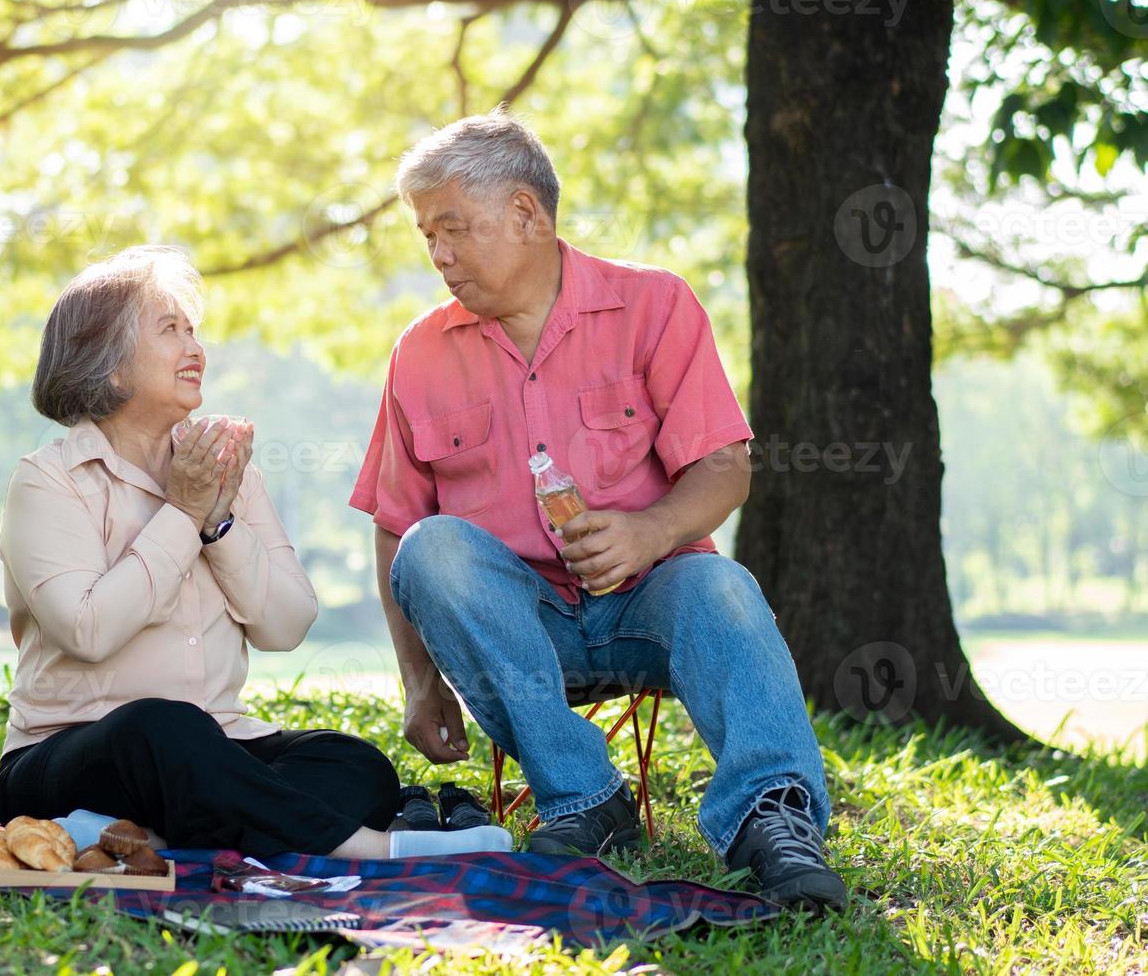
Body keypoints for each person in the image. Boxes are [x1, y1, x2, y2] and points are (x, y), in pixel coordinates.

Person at [350, 112, 847, 910]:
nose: (437, 255)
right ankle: (587, 800)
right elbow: (393, 525)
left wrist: (648, 532)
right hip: (520, 631)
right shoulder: (420, 350)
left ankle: (771, 817)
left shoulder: (654, 305)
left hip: (652, 605)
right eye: (425, 235)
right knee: (432, 547)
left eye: (452, 229)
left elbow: (726, 466)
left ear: (525, 215)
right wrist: (419, 682)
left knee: (723, 587)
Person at [0, 245, 510, 860]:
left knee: (354, 763)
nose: (195, 348)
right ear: (112, 369)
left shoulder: (226, 469)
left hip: (216, 744)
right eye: (169, 330)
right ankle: (372, 849)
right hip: (70, 751)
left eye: (193, 330)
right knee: (160, 724)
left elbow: (286, 626)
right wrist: (182, 514)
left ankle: (139, 834)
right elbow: (89, 631)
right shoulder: (48, 479)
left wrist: (219, 524)